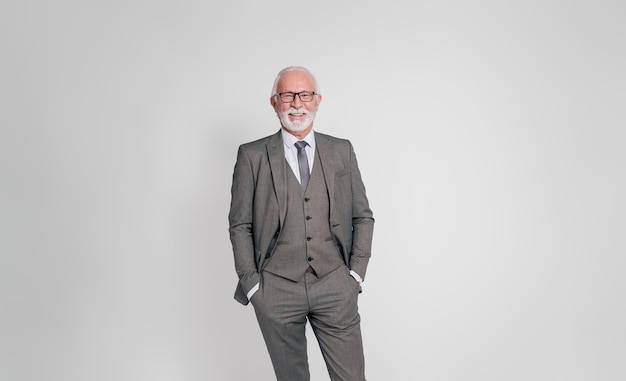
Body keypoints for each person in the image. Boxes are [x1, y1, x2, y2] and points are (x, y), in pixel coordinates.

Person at [228, 66, 374, 381]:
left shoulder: (341, 151)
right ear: (274, 103)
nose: (297, 103)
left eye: (305, 95)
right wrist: (253, 286)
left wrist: (355, 275)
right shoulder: (252, 156)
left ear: (317, 100)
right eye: (287, 95)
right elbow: (240, 225)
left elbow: (362, 215)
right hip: (276, 289)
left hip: (335, 284)